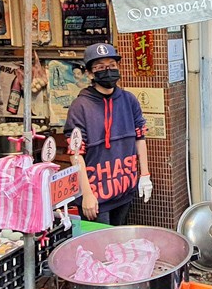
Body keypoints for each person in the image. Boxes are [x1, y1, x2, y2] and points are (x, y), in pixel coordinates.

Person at [64, 43, 152, 225]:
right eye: (100, 67)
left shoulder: (129, 100)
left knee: (117, 242)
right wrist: (86, 194)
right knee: (98, 247)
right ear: (89, 73)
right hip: (95, 196)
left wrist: (145, 175)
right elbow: (76, 153)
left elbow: (140, 137)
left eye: (112, 65)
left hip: (124, 189)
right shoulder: (80, 106)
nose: (108, 70)